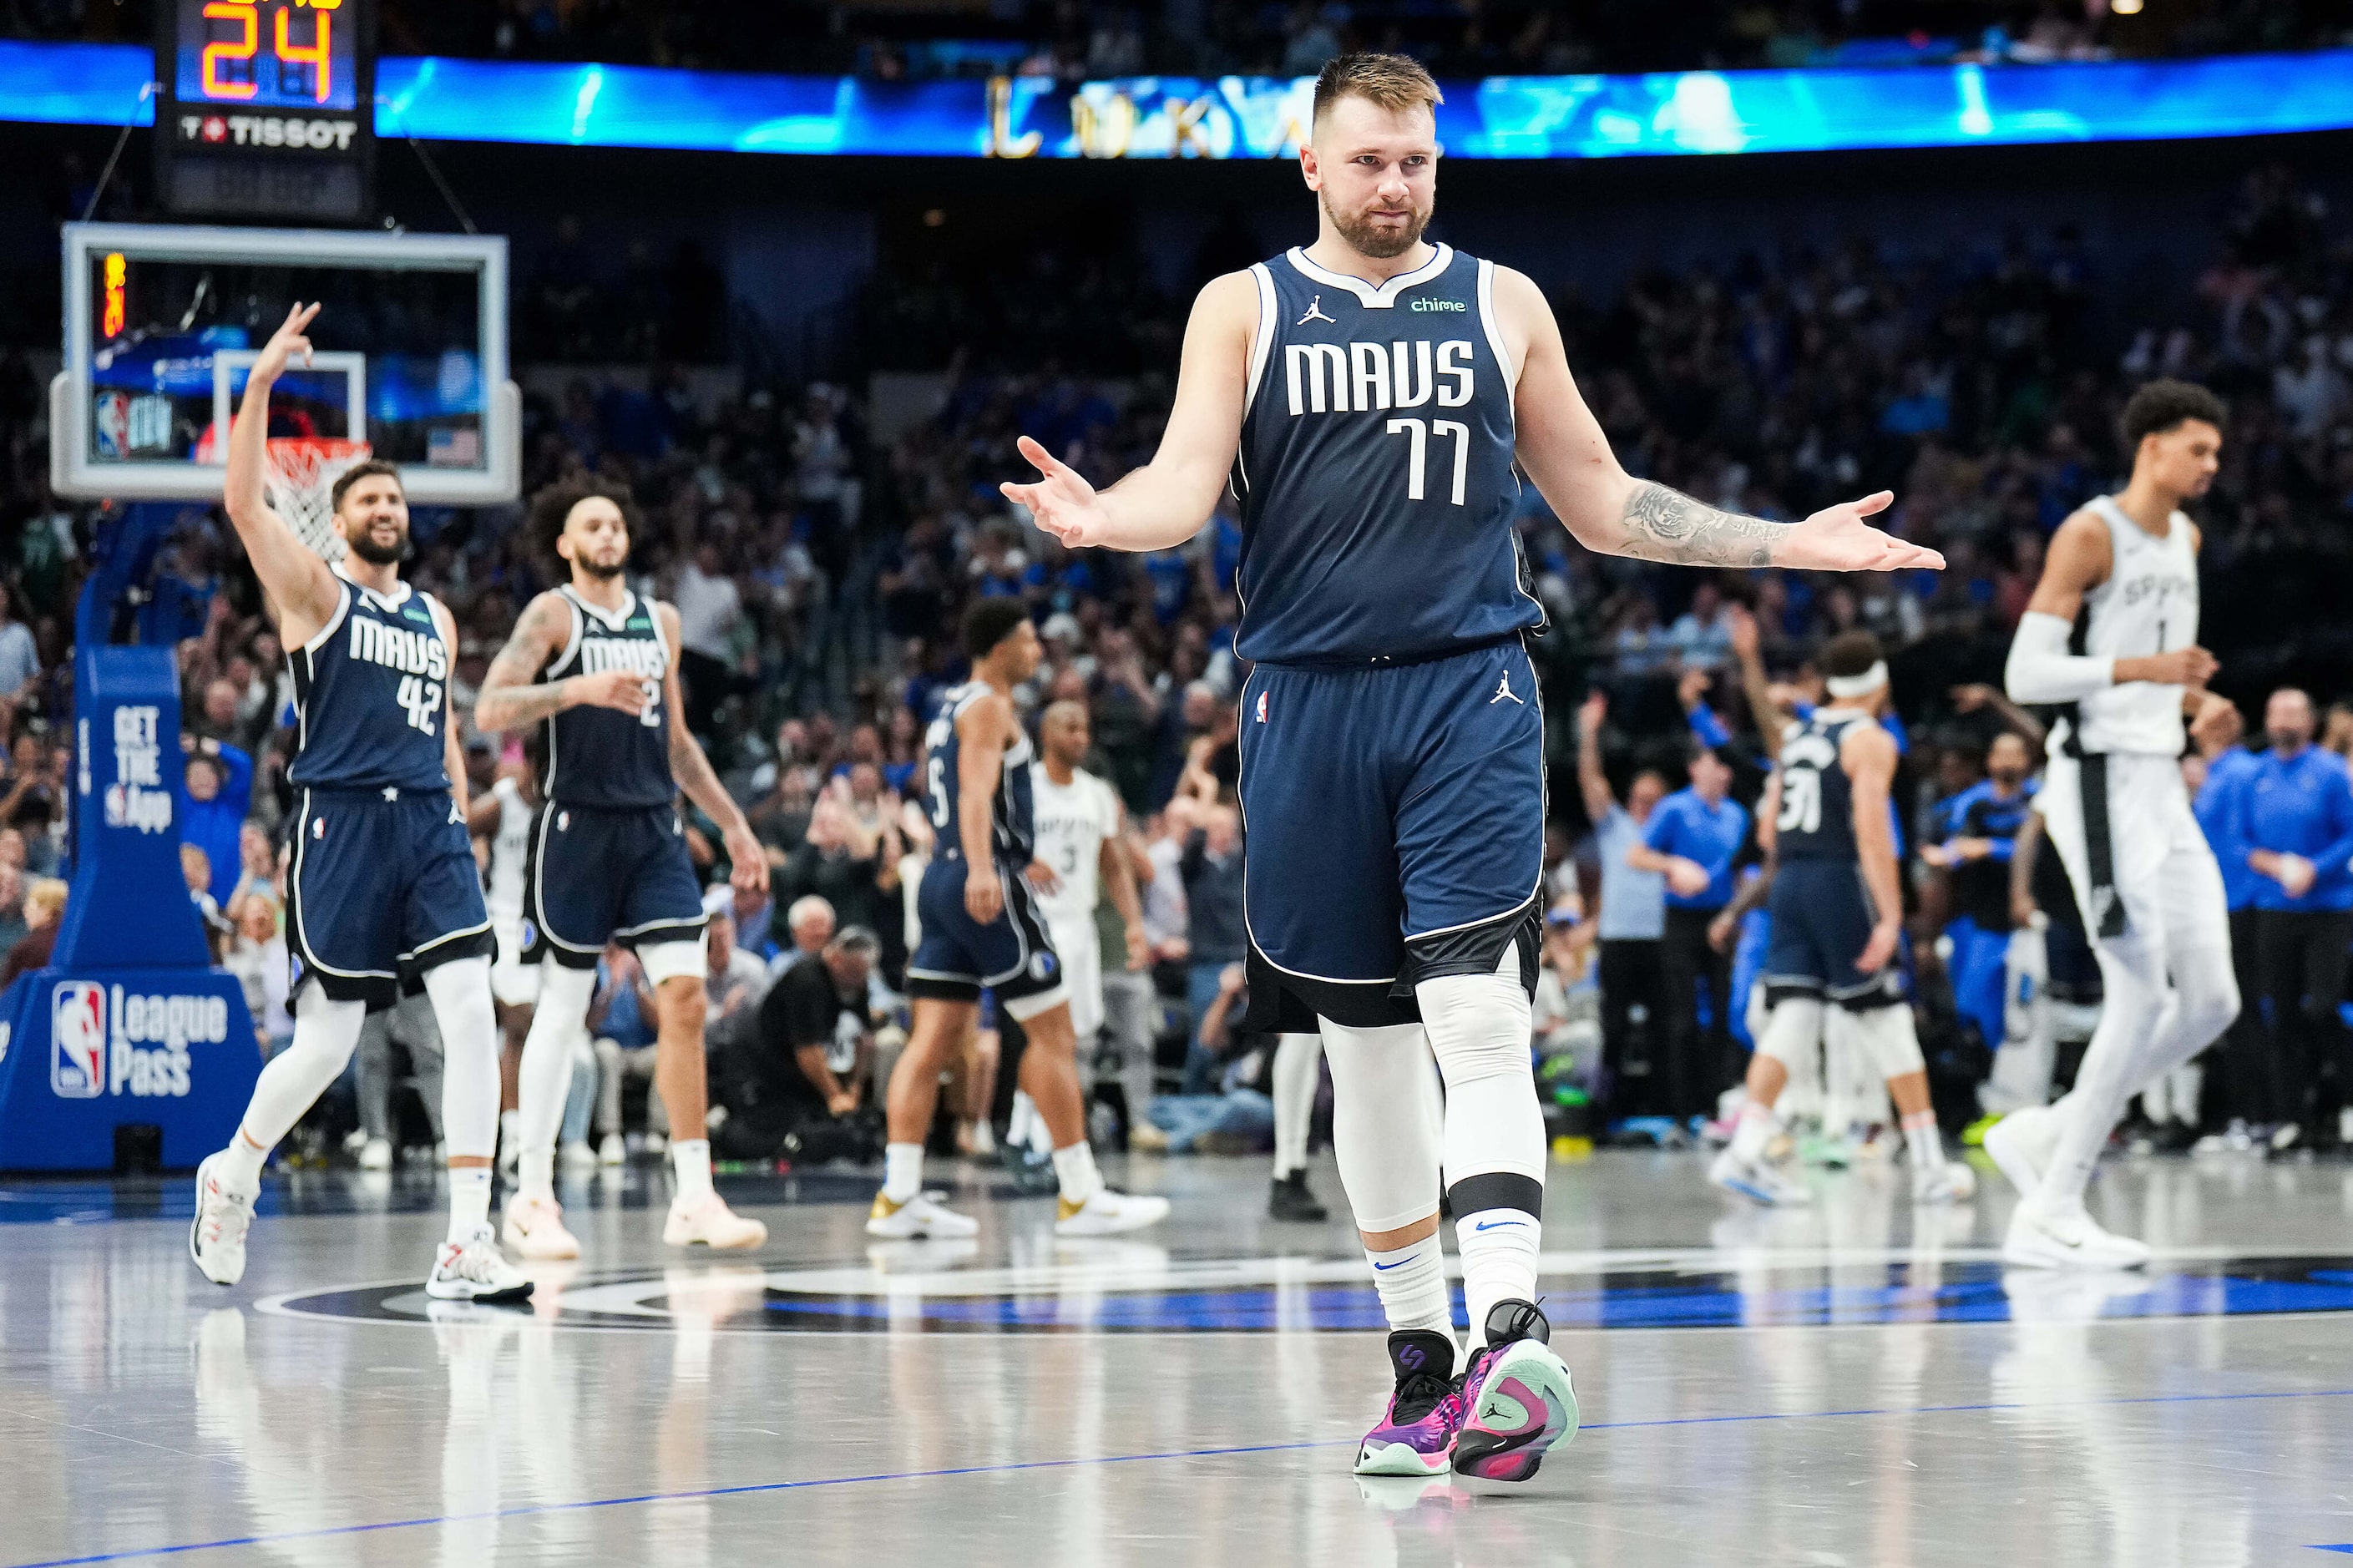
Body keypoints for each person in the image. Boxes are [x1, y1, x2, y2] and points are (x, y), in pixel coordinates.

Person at [1001, 53, 1939, 1482]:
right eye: (1368, 160)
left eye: (1415, 162)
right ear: (1308, 165)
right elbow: (1181, 488)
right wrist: (1098, 520)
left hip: (1468, 692)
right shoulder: (1241, 306)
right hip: (1301, 705)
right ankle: (1419, 1366)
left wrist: (1782, 541)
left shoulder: (1501, 301)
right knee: (1367, 1053)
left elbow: (1606, 501)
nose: (1394, 185)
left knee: (1476, 1011)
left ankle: (1508, 1326)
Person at [188, 302, 527, 1304]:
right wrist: (255, 390)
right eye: (368, 499)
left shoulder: (436, 617)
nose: (387, 508)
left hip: (429, 823)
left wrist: (460, 813)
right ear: (335, 520)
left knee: (469, 1011)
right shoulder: (314, 595)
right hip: (340, 823)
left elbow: (444, 736)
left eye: (394, 498)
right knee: (326, 1047)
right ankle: (234, 1171)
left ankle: (468, 1241)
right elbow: (245, 505)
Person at [477, 479, 770, 1260]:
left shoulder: (659, 620)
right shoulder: (553, 614)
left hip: (654, 831)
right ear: (566, 544)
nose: (608, 532)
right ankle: (532, 1197)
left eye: (616, 521)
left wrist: (734, 826)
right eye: (590, 525)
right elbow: (490, 707)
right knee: (563, 1008)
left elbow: (677, 743)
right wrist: (576, 688)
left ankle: (695, 1197)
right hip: (576, 827)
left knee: (684, 1001)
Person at [1991, 378, 2243, 1270]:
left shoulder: (2185, 535)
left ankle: (2044, 1134)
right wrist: (2147, 670)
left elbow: (2169, 669)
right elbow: (2027, 675)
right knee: (2140, 999)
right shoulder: (2091, 531)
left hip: (2158, 780)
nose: (2212, 465)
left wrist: (2197, 707)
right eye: (2199, 449)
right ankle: (2050, 1210)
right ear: (2151, 448)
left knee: (2211, 999)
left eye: (2215, 452)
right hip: (2094, 782)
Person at [872, 599, 1168, 1239]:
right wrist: (988, 867)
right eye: (1029, 640)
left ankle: (898, 1195)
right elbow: (977, 790)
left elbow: (951, 791)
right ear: (1000, 646)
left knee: (931, 1043)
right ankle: (1081, 1193)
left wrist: (977, 861)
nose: (1038, 651)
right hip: (985, 882)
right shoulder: (990, 705)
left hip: (941, 879)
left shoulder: (948, 706)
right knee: (1054, 1036)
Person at [1709, 632, 1976, 1207]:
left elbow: (1766, 829)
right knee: (1887, 1017)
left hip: (1789, 881)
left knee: (1796, 1015)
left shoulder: (1800, 733)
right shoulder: (1871, 739)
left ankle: (1745, 1150)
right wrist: (1889, 915)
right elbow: (1871, 829)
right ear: (1880, 684)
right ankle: (1931, 1166)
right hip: (1837, 878)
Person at [1024, 699, 1152, 1186]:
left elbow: (1114, 864)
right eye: (1070, 728)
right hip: (1036, 924)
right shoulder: (1024, 788)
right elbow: (994, 843)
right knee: (1046, 1037)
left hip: (1080, 926)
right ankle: (1036, 1140)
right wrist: (1021, 860)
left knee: (1079, 1039)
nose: (1081, 737)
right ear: (1047, 732)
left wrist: (1134, 925)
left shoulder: (1096, 793)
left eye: (1085, 728)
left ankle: (1068, 1151)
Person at [2229, 688, 2353, 1150]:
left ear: (2310, 721)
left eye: (2294, 715)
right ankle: (2291, 1118)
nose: (2285, 724)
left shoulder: (2329, 772)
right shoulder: (2254, 775)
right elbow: (2237, 842)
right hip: (2273, 905)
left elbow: (2350, 832)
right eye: (2277, 715)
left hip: (2329, 907)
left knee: (2323, 1007)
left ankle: (2343, 1106)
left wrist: (2313, 868)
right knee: (2279, 1013)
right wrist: (2275, 864)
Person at [1625, 743, 1749, 1126]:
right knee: (1682, 1016)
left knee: (1723, 1012)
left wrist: (1734, 916)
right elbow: (1637, 855)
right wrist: (1673, 863)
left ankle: (1716, 1105)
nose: (1724, 775)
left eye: (1727, 769)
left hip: (1721, 919)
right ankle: (1682, 1111)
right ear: (1696, 768)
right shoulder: (1675, 809)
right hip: (1682, 918)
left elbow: (1741, 870)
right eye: (1716, 766)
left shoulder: (1736, 815)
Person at [1576, 692, 1669, 1120]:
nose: (1641, 806)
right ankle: (1607, 1111)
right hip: (1617, 938)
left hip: (1660, 940)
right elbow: (1591, 782)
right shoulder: (1618, 826)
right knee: (1612, 1027)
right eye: (1637, 798)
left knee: (1663, 1027)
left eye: (1650, 800)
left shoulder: (1672, 830)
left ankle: (1663, 1106)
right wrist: (1588, 734)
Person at [719, 927, 884, 1164]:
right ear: (836, 959)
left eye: (862, 974)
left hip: (794, 1068)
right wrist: (836, 1096)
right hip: (760, 1064)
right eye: (853, 972)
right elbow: (808, 1052)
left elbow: (865, 1039)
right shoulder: (808, 980)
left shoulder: (855, 980)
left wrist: (855, 1088)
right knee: (771, 1130)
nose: (858, 980)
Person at [1924, 731, 2039, 1056]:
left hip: (2030, 922)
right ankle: (1980, 1081)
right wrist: (1947, 856)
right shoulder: (1971, 803)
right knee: (1973, 1005)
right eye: (2000, 753)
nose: (2007, 761)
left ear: (2028, 761)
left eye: (2015, 754)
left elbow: (2047, 850)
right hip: (1981, 920)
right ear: (1989, 762)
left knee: (2025, 1010)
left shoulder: (2040, 800)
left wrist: (1989, 848)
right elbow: (1952, 846)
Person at [467, 756, 541, 1176]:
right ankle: (513, 1135)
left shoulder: (561, 800)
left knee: (548, 1030)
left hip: (552, 919)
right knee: (517, 1023)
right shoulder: (501, 803)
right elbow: (454, 834)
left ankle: (540, 1134)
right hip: (508, 922)